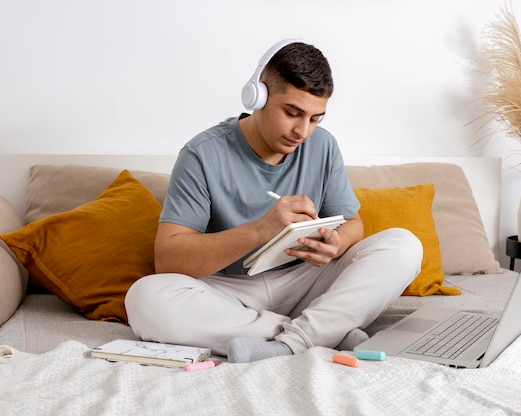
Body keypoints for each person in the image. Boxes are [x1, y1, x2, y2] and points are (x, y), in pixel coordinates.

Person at [125, 39, 423, 363]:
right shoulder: (202, 154)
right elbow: (168, 260)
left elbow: (353, 223)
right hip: (229, 292)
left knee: (404, 245)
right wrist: (262, 229)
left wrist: (336, 245)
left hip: (304, 281)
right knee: (145, 298)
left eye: (315, 118)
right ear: (258, 95)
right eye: (292, 113)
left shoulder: (322, 145)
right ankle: (322, 332)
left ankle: (290, 340)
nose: (302, 131)